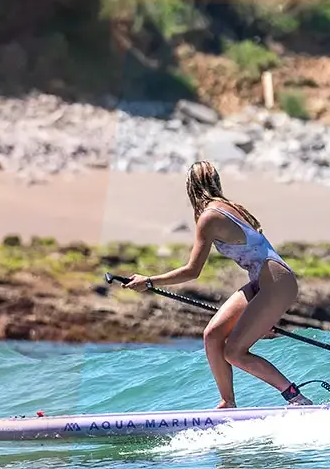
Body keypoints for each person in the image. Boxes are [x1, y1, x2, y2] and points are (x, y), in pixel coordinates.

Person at [124, 162, 312, 408]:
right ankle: (227, 402)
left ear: (191, 188)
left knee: (234, 352)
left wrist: (149, 281)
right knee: (212, 336)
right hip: (262, 283)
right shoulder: (229, 207)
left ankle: (297, 398)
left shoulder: (210, 217)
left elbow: (192, 271)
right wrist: (260, 315)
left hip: (277, 284)